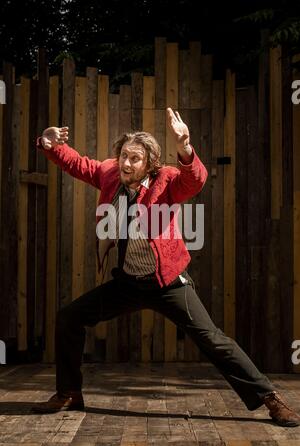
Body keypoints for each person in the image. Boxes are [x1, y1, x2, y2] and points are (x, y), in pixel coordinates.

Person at [33, 108, 299, 427]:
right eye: (123, 157)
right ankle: (69, 393)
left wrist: (185, 146)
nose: (126, 164)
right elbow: (80, 164)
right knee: (69, 317)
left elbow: (194, 180)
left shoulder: (167, 179)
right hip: (128, 283)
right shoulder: (110, 173)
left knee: (212, 339)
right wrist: (50, 145)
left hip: (167, 283)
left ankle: (270, 398)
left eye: (134, 159)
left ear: (150, 163)